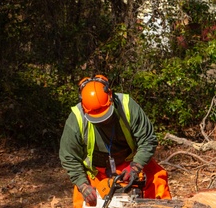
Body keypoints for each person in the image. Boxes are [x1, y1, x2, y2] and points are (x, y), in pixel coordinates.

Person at [59, 74, 171, 207]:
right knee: (84, 201)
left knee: (157, 179)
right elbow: (68, 156)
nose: (103, 120)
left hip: (129, 162)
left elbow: (148, 139)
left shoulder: (127, 106)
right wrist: (83, 185)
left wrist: (136, 167)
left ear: (111, 97)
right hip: (96, 171)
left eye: (105, 114)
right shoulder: (76, 120)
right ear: (84, 108)